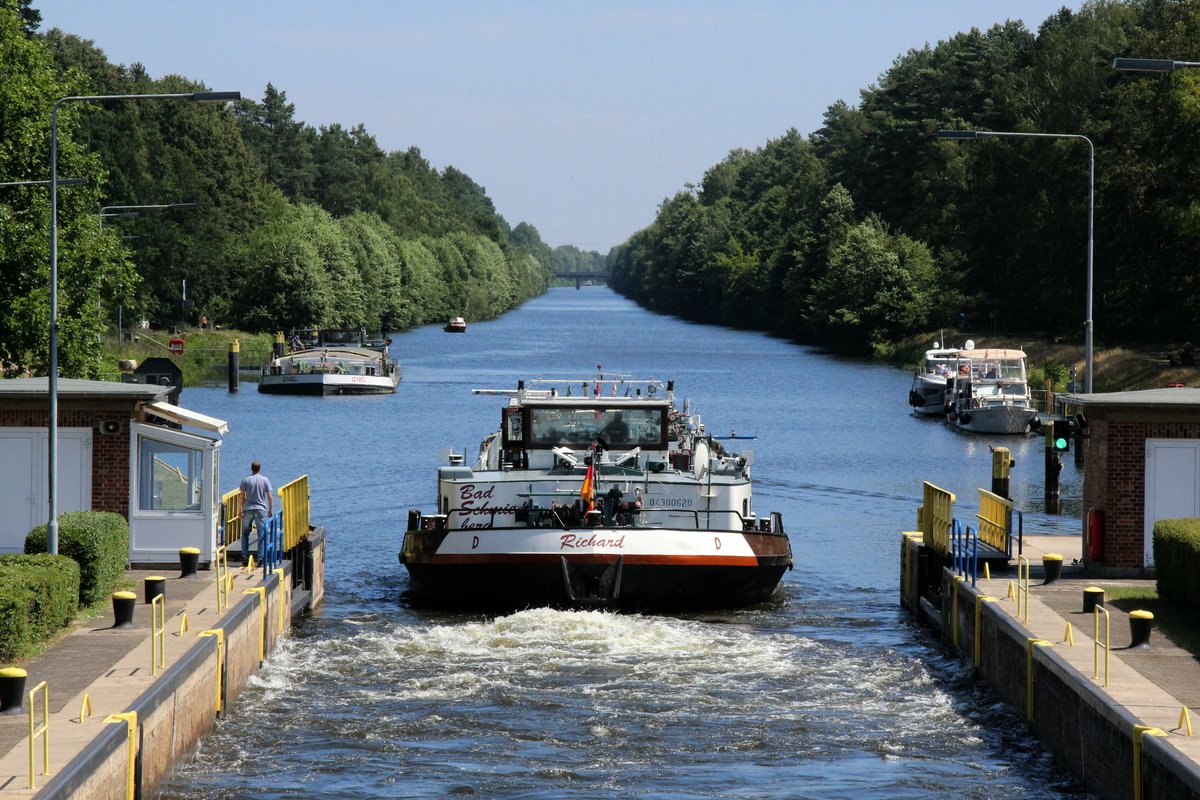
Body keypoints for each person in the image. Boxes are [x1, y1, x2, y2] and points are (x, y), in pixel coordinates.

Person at [238, 461, 274, 563]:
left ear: (251, 468)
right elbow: (270, 497)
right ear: (259, 468)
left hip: (248, 509)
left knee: (245, 534)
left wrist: (239, 511)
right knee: (261, 534)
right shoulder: (265, 480)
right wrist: (270, 510)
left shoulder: (246, 480)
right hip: (260, 509)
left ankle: (244, 556)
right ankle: (261, 557)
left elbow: (241, 496)